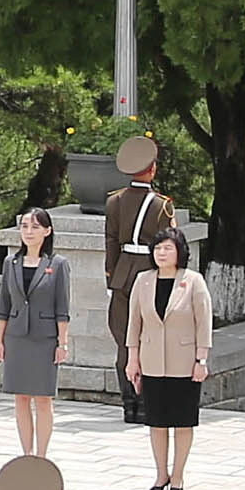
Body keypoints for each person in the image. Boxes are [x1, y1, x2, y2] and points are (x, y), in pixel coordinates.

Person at [98, 136, 181, 423]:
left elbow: (110, 243)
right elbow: (170, 246)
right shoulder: (162, 206)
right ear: (152, 169)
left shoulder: (114, 201)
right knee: (148, 341)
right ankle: (145, 403)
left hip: (122, 275)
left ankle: (128, 403)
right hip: (150, 275)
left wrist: (111, 278)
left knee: (124, 342)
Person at [128, 228, 211, 490]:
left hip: (184, 362)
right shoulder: (143, 281)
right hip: (152, 361)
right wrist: (132, 359)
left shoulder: (193, 281)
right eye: (158, 248)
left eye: (168, 248)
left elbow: (204, 323)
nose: (162, 253)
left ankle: (178, 476)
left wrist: (201, 358)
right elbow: (134, 324)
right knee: (157, 421)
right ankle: (161, 473)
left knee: (183, 421)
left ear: (179, 252)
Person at [0, 209, 72, 462]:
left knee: (43, 399)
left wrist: (62, 342)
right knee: (21, 397)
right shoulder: (10, 263)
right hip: (16, 337)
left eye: (35, 227)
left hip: (44, 339)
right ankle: (26, 453)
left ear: (47, 231)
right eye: (25, 226)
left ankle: (41, 455)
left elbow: (63, 308)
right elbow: (3, 304)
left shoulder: (57, 265)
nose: (29, 232)